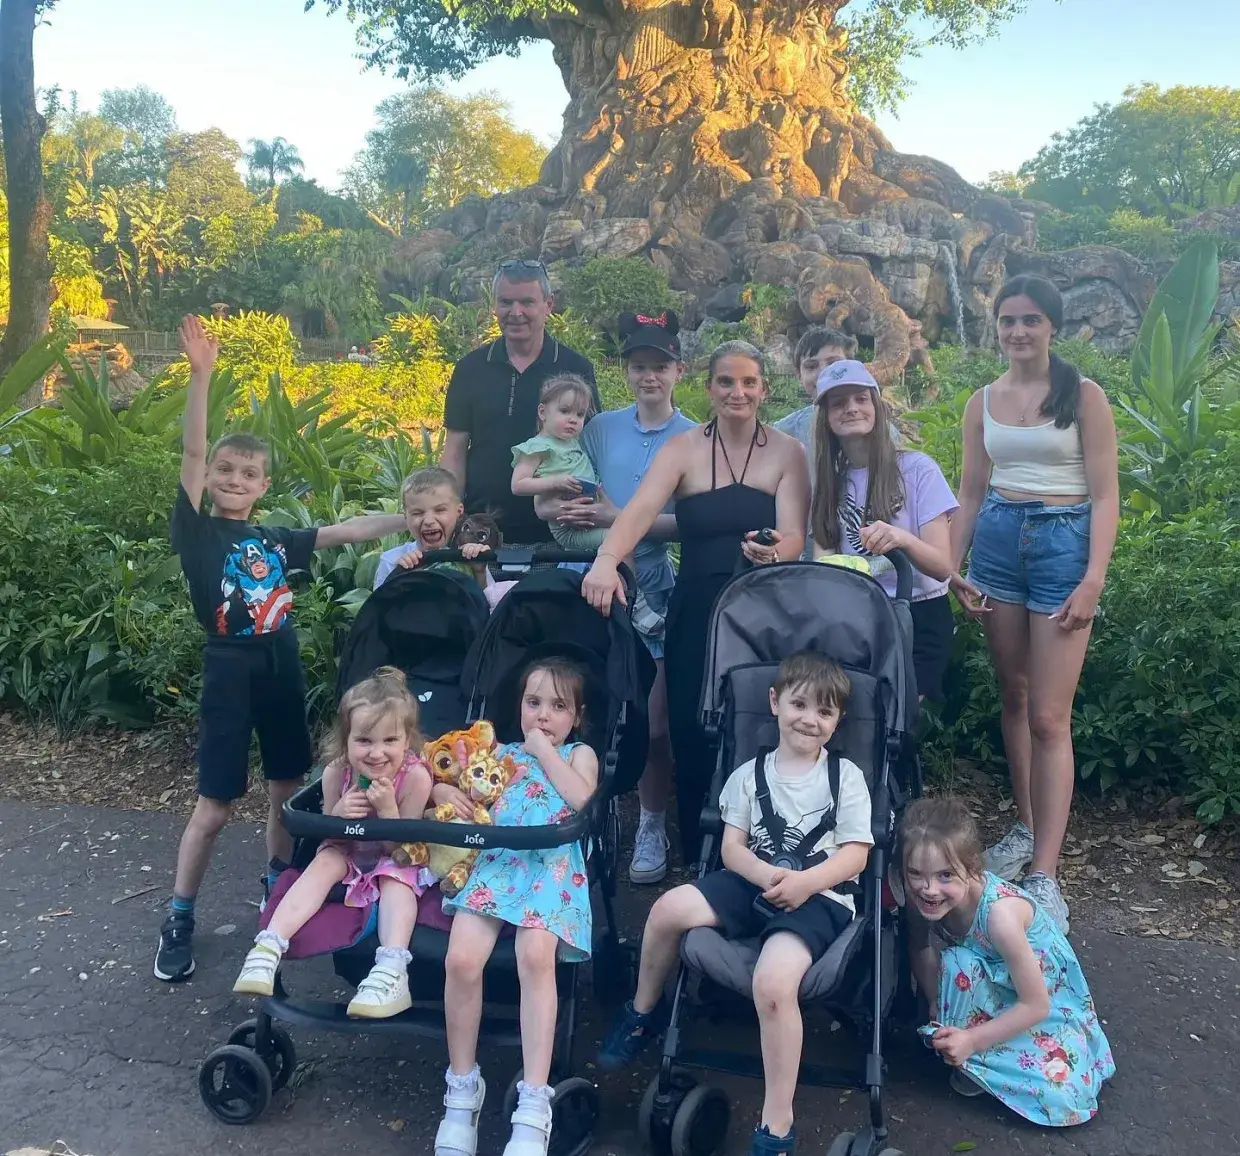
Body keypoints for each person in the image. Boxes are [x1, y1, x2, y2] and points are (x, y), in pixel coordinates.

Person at [155, 316, 407, 983]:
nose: (236, 478)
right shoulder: (199, 533)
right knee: (214, 804)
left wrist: (413, 518)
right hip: (228, 667)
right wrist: (201, 377)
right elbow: (187, 454)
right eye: (226, 470)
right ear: (211, 479)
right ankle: (180, 912)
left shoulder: (272, 538)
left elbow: (349, 528)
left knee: (287, 791)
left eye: (250, 473)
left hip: (280, 662)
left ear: (265, 485)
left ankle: (279, 887)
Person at [596, 652, 873, 1156]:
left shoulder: (845, 778)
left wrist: (805, 882)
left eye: (825, 712)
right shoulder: (749, 774)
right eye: (800, 704)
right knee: (665, 910)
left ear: (837, 721)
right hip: (752, 880)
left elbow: (855, 855)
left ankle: (777, 1123)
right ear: (774, 703)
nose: (810, 719)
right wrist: (768, 875)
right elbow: (731, 847)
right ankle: (643, 1011)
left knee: (772, 981)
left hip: (820, 895)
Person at [582, 340, 809, 861]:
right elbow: (639, 511)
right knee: (688, 721)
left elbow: (795, 531)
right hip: (696, 606)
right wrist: (605, 561)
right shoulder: (682, 449)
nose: (738, 391)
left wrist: (775, 553)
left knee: (757, 719)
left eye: (749, 382)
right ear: (708, 388)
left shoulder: (786, 452)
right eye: (726, 381)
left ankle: (767, 841)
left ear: (763, 390)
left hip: (762, 606)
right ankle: (698, 848)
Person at [948, 275, 1119, 933]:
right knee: (1013, 697)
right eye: (1008, 321)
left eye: (1031, 320)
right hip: (996, 544)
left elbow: (1105, 496)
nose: (1019, 332)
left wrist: (1093, 579)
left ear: (1052, 327)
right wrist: (950, 568)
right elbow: (969, 491)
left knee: (1050, 716)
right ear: (998, 329)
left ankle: (1046, 873)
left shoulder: (1084, 396)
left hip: (1063, 546)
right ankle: (1024, 828)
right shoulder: (982, 401)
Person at [537, 310, 697, 883]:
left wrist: (622, 519)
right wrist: (566, 511)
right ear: (625, 371)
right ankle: (583, 817)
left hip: (651, 585)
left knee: (653, 721)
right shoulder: (598, 427)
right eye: (638, 367)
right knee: (588, 708)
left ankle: (651, 822)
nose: (649, 376)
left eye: (659, 366)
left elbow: (690, 525)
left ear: (678, 370)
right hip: (588, 578)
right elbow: (564, 483)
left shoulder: (694, 436)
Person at [434, 659, 599, 1156]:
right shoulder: (498, 753)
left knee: (535, 957)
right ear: (518, 706)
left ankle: (534, 1100)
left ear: (578, 717)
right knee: (461, 959)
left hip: (550, 867)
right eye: (533, 704)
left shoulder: (579, 753)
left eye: (557, 707)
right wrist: (444, 789)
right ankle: (462, 1089)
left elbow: (580, 799)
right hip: (498, 861)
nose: (543, 716)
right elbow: (455, 783)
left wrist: (546, 751)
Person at [900, 796, 1114, 1125]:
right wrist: (934, 1003)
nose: (929, 889)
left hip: (1045, 1000)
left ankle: (977, 1053)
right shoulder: (918, 900)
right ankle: (975, 1058)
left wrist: (970, 1039)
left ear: (972, 869)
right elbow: (920, 948)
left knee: (1059, 1099)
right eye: (916, 873)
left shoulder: (1000, 916)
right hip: (991, 982)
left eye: (945, 875)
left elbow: (1037, 1005)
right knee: (958, 963)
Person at [232, 667, 432, 1018]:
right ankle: (268, 946)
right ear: (346, 740)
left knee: (396, 881)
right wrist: (338, 813)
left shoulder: (415, 777)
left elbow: (404, 851)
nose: (376, 753)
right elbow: (330, 834)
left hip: (394, 856)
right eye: (364, 741)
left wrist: (387, 811)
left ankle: (392, 968)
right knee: (325, 860)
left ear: (407, 741)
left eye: (389, 741)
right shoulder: (338, 773)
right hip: (348, 853)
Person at [810, 359, 958, 701]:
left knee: (897, 717)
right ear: (827, 418)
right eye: (838, 403)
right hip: (858, 617)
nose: (851, 409)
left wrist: (901, 539)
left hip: (918, 614)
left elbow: (941, 566)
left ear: (876, 406)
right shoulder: (829, 483)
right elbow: (825, 564)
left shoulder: (918, 470)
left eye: (861, 399)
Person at [440, 259, 599, 545]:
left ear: (548, 305)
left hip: (559, 533)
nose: (516, 313)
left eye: (527, 302)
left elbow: (590, 446)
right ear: (494, 305)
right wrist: (449, 515)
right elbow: (454, 452)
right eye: (505, 302)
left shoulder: (575, 368)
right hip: (482, 534)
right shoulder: (470, 369)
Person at [373, 467, 509, 608]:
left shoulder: (469, 556)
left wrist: (479, 571)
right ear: (406, 517)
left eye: (440, 510)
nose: (429, 520)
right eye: (417, 513)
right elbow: (379, 614)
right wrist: (403, 579)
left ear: (459, 512)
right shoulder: (391, 562)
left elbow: (488, 609)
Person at [510, 373, 607, 551]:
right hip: (567, 528)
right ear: (542, 412)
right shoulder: (537, 447)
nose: (573, 419)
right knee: (619, 539)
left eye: (580, 414)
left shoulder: (571, 442)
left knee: (626, 536)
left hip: (588, 516)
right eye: (565, 411)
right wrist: (556, 481)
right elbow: (518, 485)